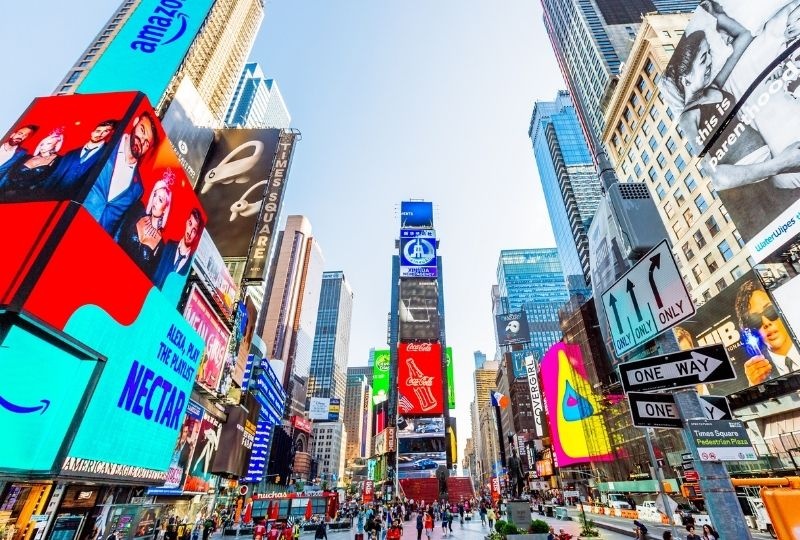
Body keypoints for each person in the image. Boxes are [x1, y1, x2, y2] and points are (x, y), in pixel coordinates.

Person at [84, 112, 158, 235]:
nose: (141, 141)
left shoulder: (138, 189)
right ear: (135, 122)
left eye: (146, 143)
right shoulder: (105, 145)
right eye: (142, 130)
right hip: (72, 222)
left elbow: (119, 227)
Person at [735, 278, 800, 384]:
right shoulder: (759, 373)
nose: (766, 322)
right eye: (755, 319)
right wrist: (754, 385)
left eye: (769, 311)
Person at [115, 171, 173, 280]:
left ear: (165, 209)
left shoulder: (161, 246)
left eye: (160, 200)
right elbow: (117, 234)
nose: (155, 201)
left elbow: (149, 277)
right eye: (155, 195)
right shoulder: (138, 210)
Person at [44, 119, 117, 199]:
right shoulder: (70, 154)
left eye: (106, 131)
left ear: (111, 134)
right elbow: (55, 176)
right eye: (98, 130)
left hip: (80, 201)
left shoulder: (109, 154)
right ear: (92, 132)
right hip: (54, 198)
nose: (100, 134)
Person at [0, 127, 63, 200]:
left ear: (56, 144)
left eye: (48, 143)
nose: (43, 146)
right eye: (42, 143)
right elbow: (9, 174)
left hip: (18, 197)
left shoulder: (22, 154)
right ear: (12, 134)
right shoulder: (26, 156)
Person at [153, 207, 203, 288]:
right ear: (186, 223)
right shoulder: (168, 246)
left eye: (194, 230)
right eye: (190, 224)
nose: (189, 232)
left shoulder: (191, 265)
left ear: (197, 236)